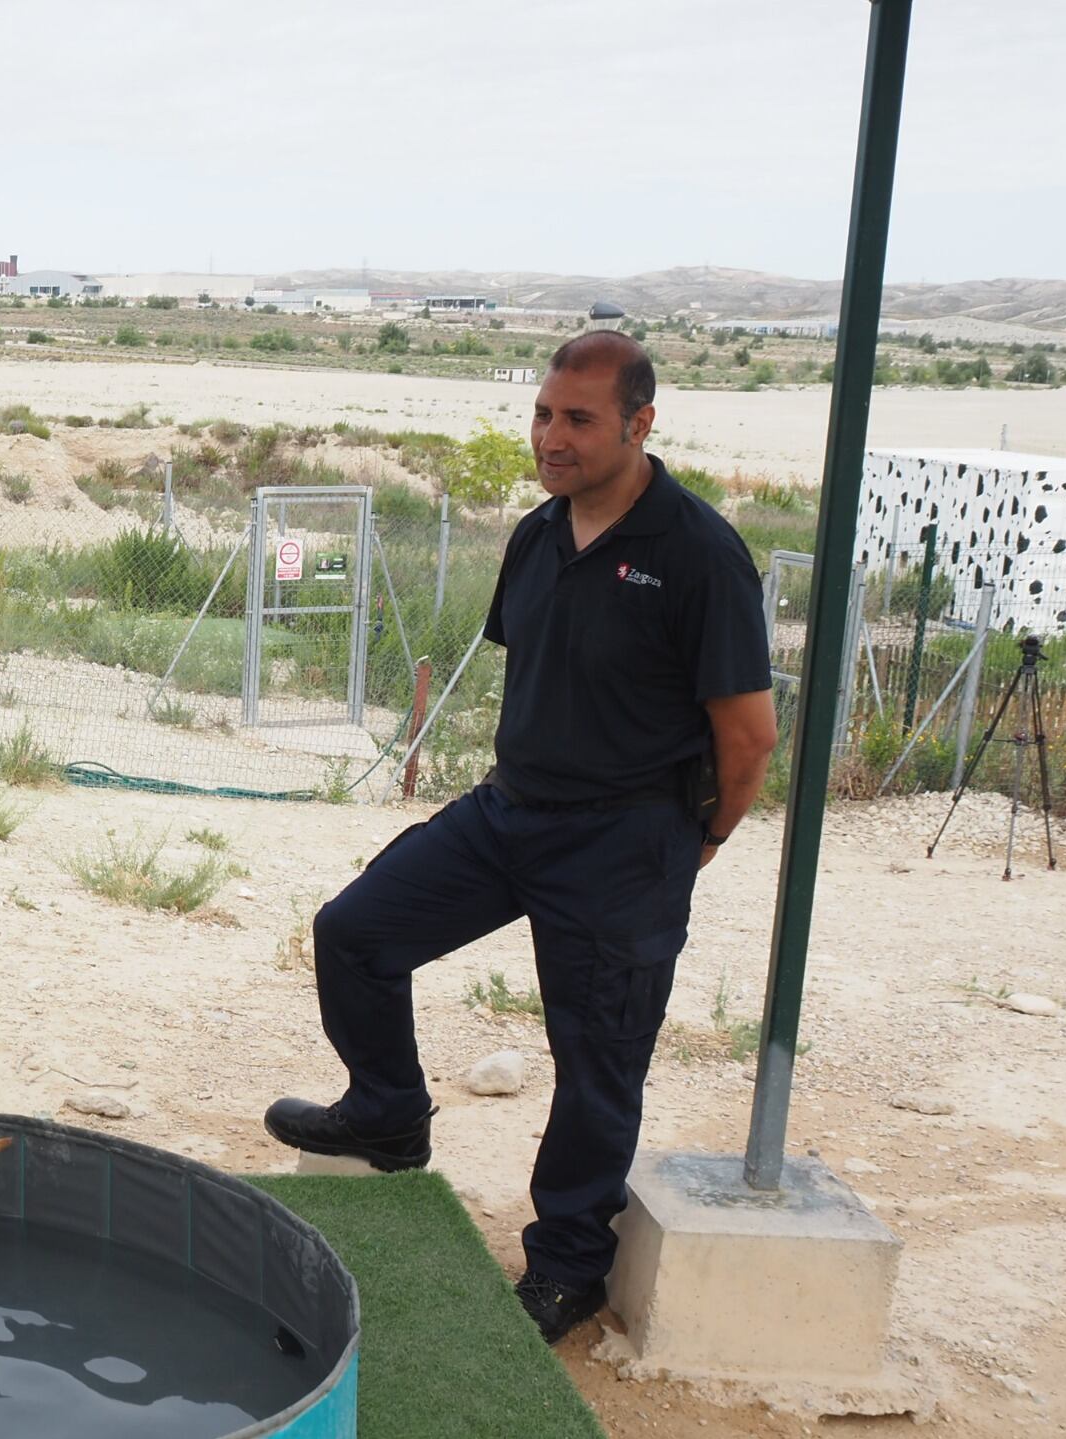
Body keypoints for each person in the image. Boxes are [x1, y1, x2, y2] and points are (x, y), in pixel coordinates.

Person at [264, 331, 778, 1344]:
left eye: (578, 419)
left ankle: (569, 1265)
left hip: (626, 840)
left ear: (639, 424)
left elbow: (748, 735)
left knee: (595, 1061)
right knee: (355, 933)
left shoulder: (698, 553)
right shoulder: (540, 537)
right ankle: (386, 1113)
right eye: (544, 413)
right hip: (511, 812)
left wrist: (698, 837)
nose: (552, 436)